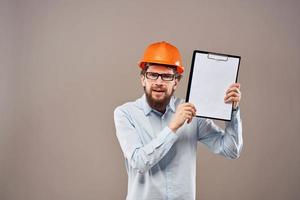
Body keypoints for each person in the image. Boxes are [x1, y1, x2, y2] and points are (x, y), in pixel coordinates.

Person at [114, 41, 243, 200]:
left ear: (176, 81)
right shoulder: (125, 114)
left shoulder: (192, 111)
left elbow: (231, 150)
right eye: (153, 74)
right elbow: (139, 162)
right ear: (143, 79)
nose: (159, 82)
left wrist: (233, 110)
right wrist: (173, 126)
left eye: (167, 76)